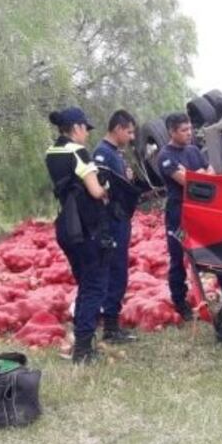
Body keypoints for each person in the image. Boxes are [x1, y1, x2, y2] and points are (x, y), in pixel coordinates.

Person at [155, 113, 222, 319]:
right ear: (172, 132)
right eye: (183, 130)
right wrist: (198, 175)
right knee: (178, 258)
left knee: (219, 248)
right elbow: (189, 183)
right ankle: (181, 304)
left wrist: (196, 174)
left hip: (202, 208)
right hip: (178, 212)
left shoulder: (193, 150)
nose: (189, 133)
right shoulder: (165, 156)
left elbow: (212, 176)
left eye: (190, 129)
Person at [45, 106, 112, 364]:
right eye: (85, 128)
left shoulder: (52, 153)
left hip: (66, 226)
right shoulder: (78, 152)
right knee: (94, 285)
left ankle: (81, 341)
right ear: (76, 128)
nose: (87, 134)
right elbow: (95, 191)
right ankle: (84, 347)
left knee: (84, 282)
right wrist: (105, 184)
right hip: (86, 226)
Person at [92, 110, 139, 344]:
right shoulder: (102, 154)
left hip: (120, 220)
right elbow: (101, 189)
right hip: (111, 221)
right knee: (115, 271)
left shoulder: (115, 154)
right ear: (118, 128)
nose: (131, 137)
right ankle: (110, 326)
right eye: (129, 132)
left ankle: (112, 321)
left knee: (119, 271)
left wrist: (127, 179)